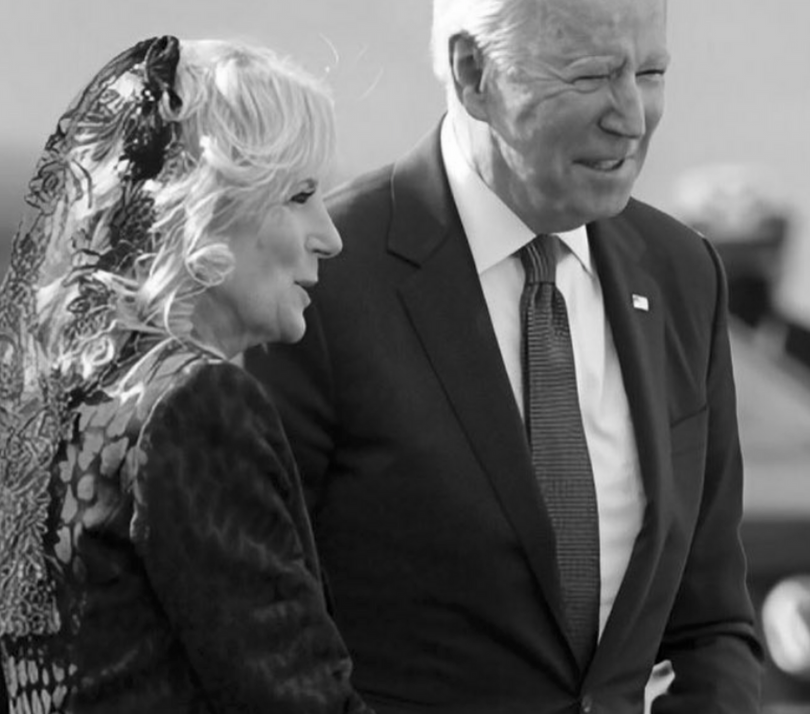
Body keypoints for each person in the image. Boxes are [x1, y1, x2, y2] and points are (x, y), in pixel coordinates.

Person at [246, 1, 765, 712]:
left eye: (650, 72)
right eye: (590, 77)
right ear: (473, 72)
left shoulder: (682, 273)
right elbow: (258, 627)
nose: (632, 117)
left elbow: (710, 624)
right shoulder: (323, 281)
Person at [0, 35, 373, 713]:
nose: (330, 234)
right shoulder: (196, 404)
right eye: (299, 196)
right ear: (208, 207)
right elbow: (293, 695)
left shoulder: (54, 390)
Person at [673, 163, 810, 425]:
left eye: (756, 253)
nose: (740, 272)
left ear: (781, 252)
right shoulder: (650, 361)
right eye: (724, 256)